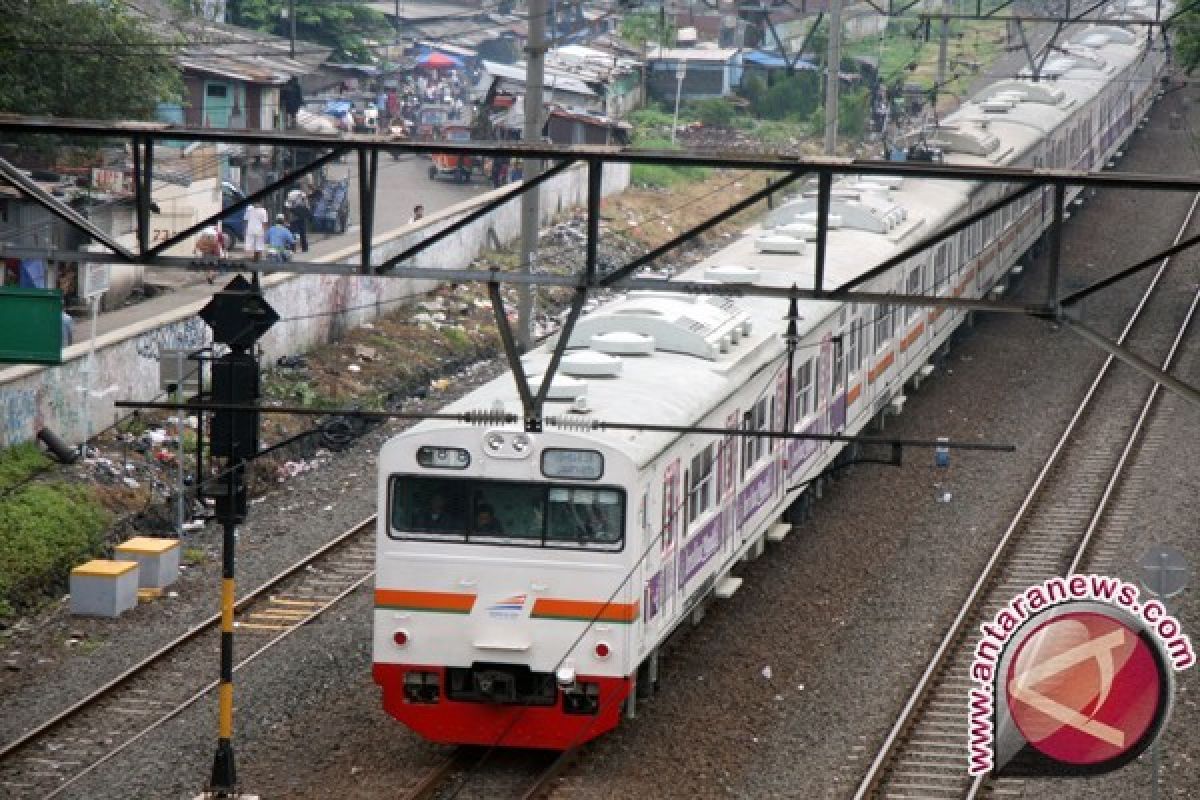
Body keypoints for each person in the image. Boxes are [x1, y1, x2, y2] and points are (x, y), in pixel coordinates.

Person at [285, 187, 310, 252]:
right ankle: (304, 248)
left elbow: (288, 207)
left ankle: (293, 248)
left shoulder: (291, 194)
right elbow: (306, 206)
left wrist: (288, 218)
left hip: (295, 214)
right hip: (300, 214)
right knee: (302, 231)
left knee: (293, 232)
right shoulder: (301, 194)